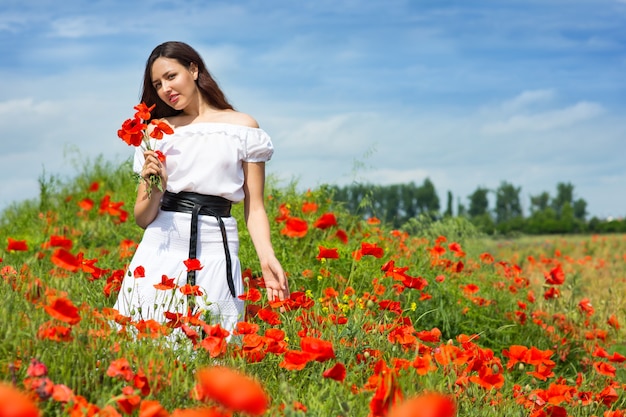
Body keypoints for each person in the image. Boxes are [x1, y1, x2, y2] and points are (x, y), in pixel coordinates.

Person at [113, 41, 289, 337]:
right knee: (147, 346)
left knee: (215, 344)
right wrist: (157, 186)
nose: (165, 88)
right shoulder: (156, 132)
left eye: (171, 76)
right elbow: (143, 218)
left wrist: (266, 256)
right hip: (161, 246)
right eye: (157, 84)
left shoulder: (243, 127)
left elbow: (255, 207)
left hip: (217, 245)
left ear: (193, 69)